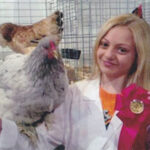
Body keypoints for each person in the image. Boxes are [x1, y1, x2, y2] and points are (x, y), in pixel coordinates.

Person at [0, 13, 150, 150]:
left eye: (122, 50)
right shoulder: (73, 94)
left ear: (138, 55)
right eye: (104, 44)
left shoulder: (145, 102)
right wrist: (4, 129)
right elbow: (41, 143)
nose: (109, 54)